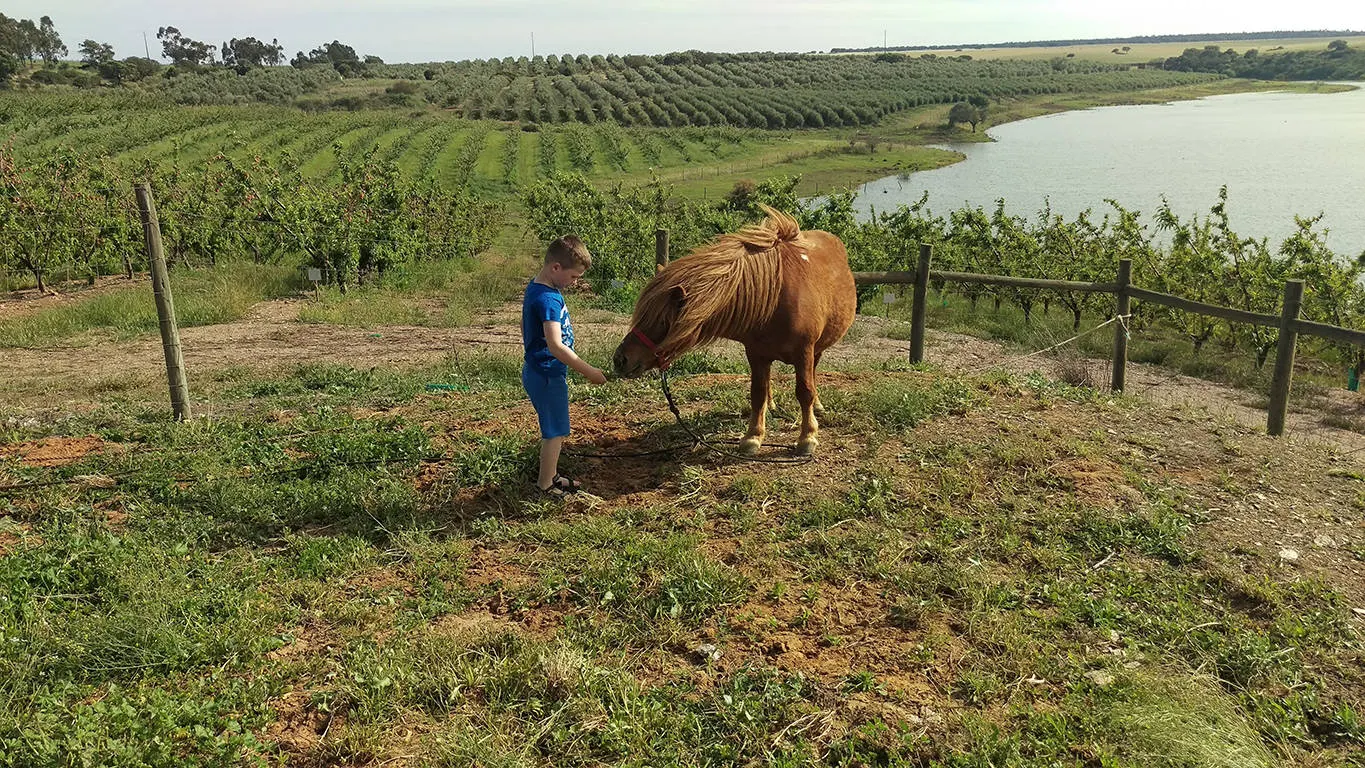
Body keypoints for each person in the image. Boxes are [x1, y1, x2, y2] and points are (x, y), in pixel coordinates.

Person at [521, 235, 608, 498]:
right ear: (555, 268)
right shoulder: (548, 299)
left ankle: (553, 475)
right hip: (547, 374)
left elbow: (529, 329)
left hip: (539, 369)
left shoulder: (537, 288)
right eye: (574, 277)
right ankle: (546, 484)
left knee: (555, 426)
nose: (576, 282)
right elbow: (556, 346)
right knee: (555, 430)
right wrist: (589, 371)